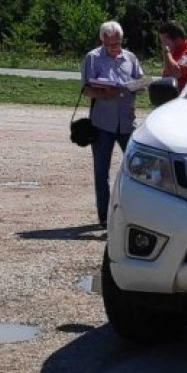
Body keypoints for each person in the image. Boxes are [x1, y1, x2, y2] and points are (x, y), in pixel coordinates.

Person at [81, 20, 144, 228]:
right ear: (101, 40)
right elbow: (86, 89)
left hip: (127, 122)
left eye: (116, 44)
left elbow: (142, 81)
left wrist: (133, 86)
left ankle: (138, 214)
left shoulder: (130, 58)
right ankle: (104, 218)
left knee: (140, 169)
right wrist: (104, 93)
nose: (113, 48)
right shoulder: (92, 58)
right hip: (103, 123)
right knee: (101, 172)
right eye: (109, 44)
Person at [159, 21, 187, 91]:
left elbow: (175, 73)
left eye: (164, 41)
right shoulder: (176, 53)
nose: (162, 44)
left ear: (176, 39)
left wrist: (167, 51)